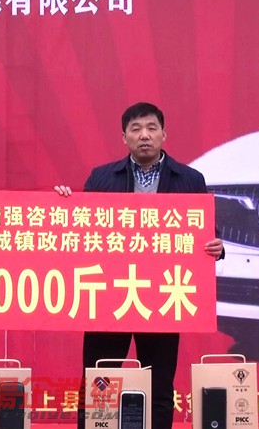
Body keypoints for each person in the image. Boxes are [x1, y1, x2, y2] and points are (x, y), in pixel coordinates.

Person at [55, 102, 224, 429]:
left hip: (164, 295)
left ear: (164, 134)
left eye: (151, 128)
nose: (144, 135)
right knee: (98, 382)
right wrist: (63, 204)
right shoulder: (102, 177)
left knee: (159, 385)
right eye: (136, 129)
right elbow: (81, 228)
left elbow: (206, 231)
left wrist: (217, 246)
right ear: (124, 137)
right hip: (110, 295)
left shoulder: (190, 179)